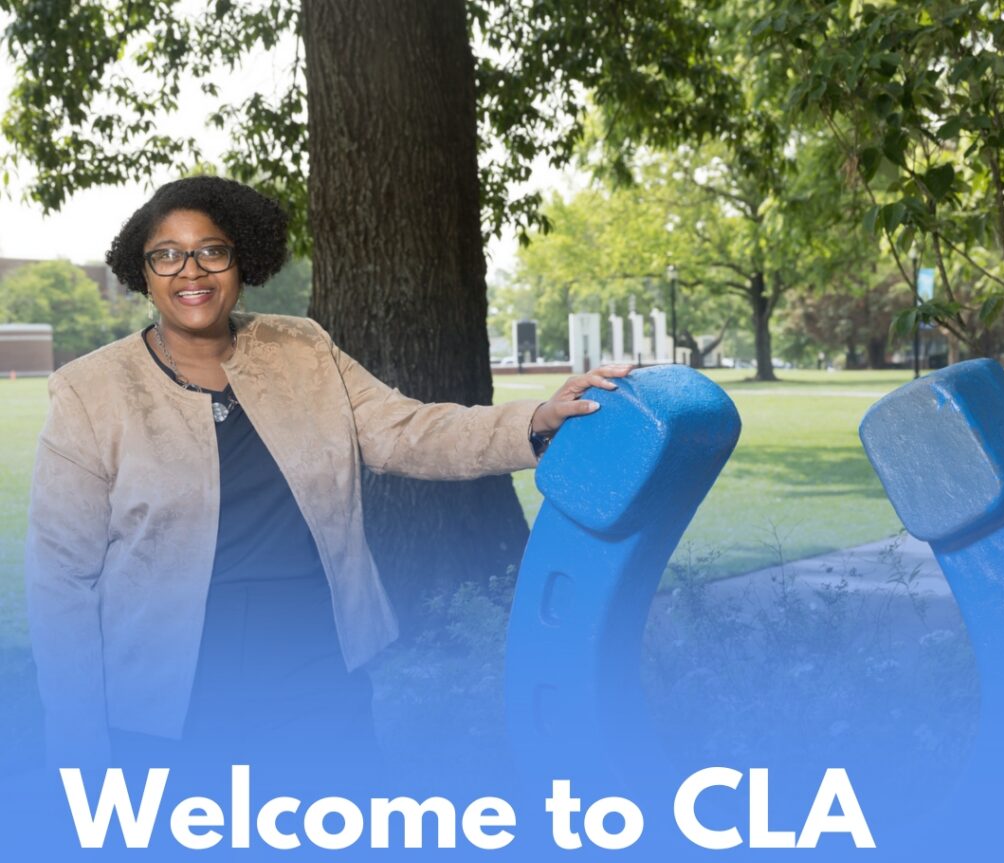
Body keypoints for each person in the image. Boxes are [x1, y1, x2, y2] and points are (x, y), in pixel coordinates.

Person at [25, 175, 629, 768]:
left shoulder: (302, 348)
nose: (192, 271)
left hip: (315, 659)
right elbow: (62, 576)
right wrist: (77, 737)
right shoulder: (90, 390)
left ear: (242, 260)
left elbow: (405, 431)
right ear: (143, 271)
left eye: (211, 251)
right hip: (171, 690)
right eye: (167, 256)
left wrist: (539, 420)